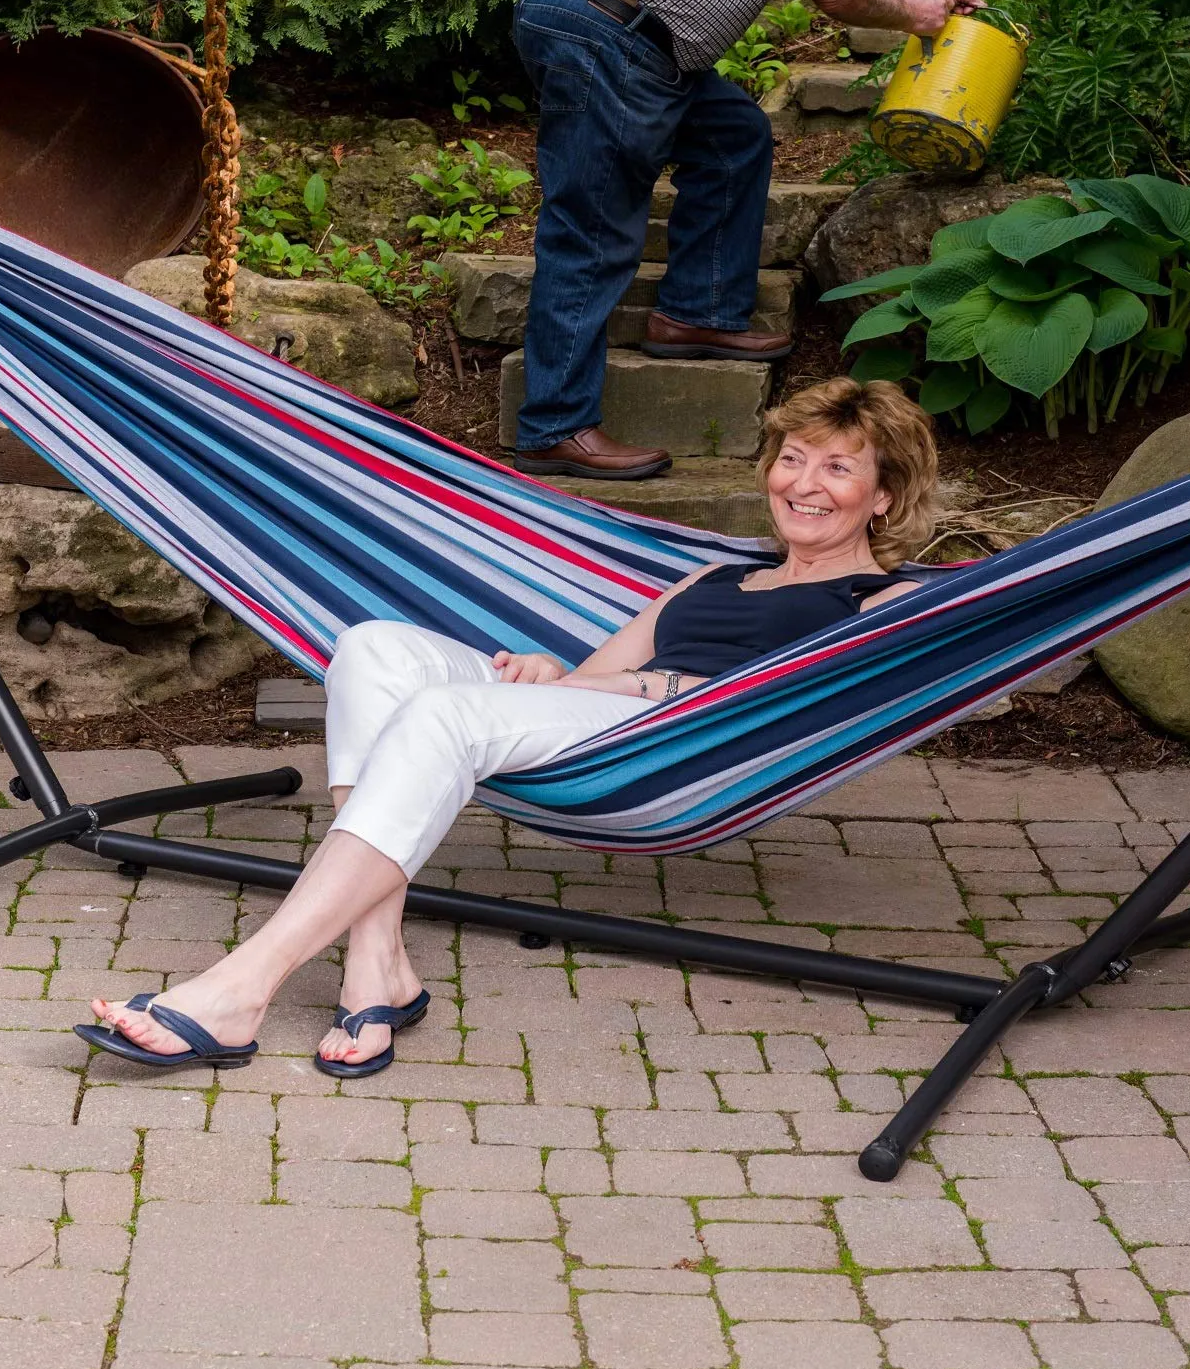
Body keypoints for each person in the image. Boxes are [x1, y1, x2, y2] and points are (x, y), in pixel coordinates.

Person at [77, 378, 941, 1075]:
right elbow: (594, 678)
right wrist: (547, 675)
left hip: (686, 749)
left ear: (883, 496)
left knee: (444, 713)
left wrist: (652, 686)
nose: (804, 484)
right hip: (608, 723)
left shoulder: (885, 602)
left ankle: (240, 988)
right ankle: (375, 960)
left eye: (837, 468)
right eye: (793, 460)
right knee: (374, 648)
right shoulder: (711, 578)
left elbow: (792, 697)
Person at [510, 0, 982, 483]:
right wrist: (912, 18)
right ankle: (554, 425)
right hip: (608, 37)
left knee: (731, 135)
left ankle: (695, 313)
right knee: (593, 231)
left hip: (602, 23)